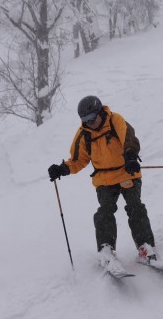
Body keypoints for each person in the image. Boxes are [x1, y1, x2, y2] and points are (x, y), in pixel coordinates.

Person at [48, 95, 157, 269]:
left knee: (135, 207)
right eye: (85, 120)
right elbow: (77, 160)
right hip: (104, 179)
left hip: (126, 172)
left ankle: (145, 246)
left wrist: (130, 156)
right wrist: (62, 169)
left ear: (99, 112)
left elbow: (129, 138)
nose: (90, 122)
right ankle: (106, 249)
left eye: (92, 118)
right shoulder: (83, 134)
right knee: (104, 212)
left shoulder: (115, 120)